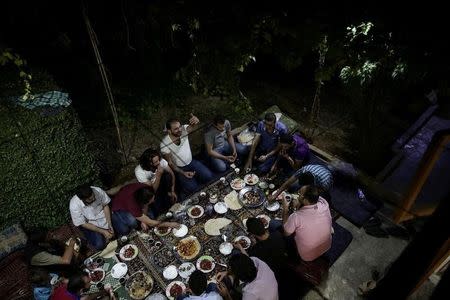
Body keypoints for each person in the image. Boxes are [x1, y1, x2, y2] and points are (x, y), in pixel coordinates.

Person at [161, 114, 214, 195]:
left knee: (209, 176)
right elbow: (170, 163)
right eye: (176, 129)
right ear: (169, 131)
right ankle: (186, 184)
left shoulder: (184, 129)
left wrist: (195, 122)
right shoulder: (164, 144)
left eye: (179, 127)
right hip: (180, 168)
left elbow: (193, 128)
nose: (179, 130)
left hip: (191, 161)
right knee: (192, 188)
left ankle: (195, 177)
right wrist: (183, 173)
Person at [282, 185, 332, 262]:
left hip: (308, 255)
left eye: (299, 194)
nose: (298, 196)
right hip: (327, 245)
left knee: (282, 231)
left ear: (305, 200)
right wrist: (299, 203)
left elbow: (286, 233)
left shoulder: (296, 216)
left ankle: (291, 257)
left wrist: (285, 209)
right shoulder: (324, 203)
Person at [111, 183, 179, 235]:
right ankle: (135, 227)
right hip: (119, 207)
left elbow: (146, 205)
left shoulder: (146, 188)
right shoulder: (132, 205)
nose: (153, 201)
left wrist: (143, 221)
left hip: (128, 194)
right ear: (142, 202)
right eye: (151, 200)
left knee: (151, 217)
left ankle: (141, 221)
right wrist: (169, 224)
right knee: (133, 221)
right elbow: (151, 223)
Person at [69, 185, 114, 250]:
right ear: (82, 200)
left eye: (93, 196)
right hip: (91, 224)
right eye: (90, 199)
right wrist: (103, 231)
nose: (93, 199)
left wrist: (110, 224)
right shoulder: (74, 205)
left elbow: (105, 205)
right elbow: (83, 223)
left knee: (124, 229)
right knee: (99, 245)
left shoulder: (97, 190)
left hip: (104, 216)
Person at [50, 271, 115, 300]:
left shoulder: (65, 285)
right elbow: (92, 296)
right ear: (81, 290)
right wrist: (106, 291)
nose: (91, 283)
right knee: (107, 298)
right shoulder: (80, 298)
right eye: (88, 282)